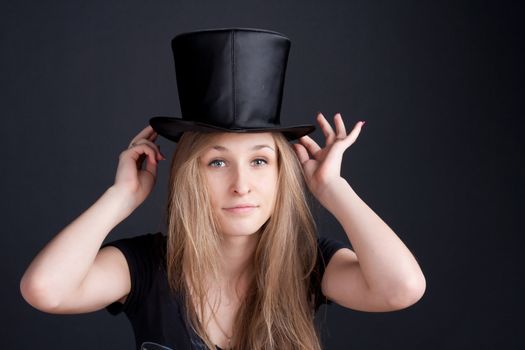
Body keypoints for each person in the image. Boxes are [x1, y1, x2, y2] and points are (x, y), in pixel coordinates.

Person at [20, 28, 426, 350]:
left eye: (260, 161)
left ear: (282, 172)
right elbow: (45, 290)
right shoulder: (144, 266)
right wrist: (120, 198)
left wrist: (334, 189)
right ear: (189, 176)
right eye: (217, 163)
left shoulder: (308, 263)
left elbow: (401, 289)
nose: (241, 185)